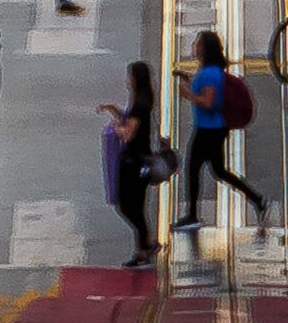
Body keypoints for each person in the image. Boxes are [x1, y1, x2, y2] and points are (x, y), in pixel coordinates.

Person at [181, 25, 264, 236]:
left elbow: (208, 102)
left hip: (209, 129)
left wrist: (188, 94)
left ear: (205, 49)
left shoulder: (208, 74)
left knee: (193, 168)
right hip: (215, 128)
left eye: (198, 44)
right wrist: (191, 85)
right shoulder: (212, 72)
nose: (194, 47)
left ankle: (192, 215)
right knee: (218, 171)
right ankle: (256, 199)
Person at [101, 55, 164, 264]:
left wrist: (116, 128)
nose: (127, 81)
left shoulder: (139, 106)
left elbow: (128, 133)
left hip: (133, 163)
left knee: (129, 206)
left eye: (130, 77)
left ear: (136, 80)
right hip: (138, 161)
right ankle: (144, 245)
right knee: (136, 206)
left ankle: (143, 249)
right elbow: (131, 122)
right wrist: (116, 111)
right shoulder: (142, 102)